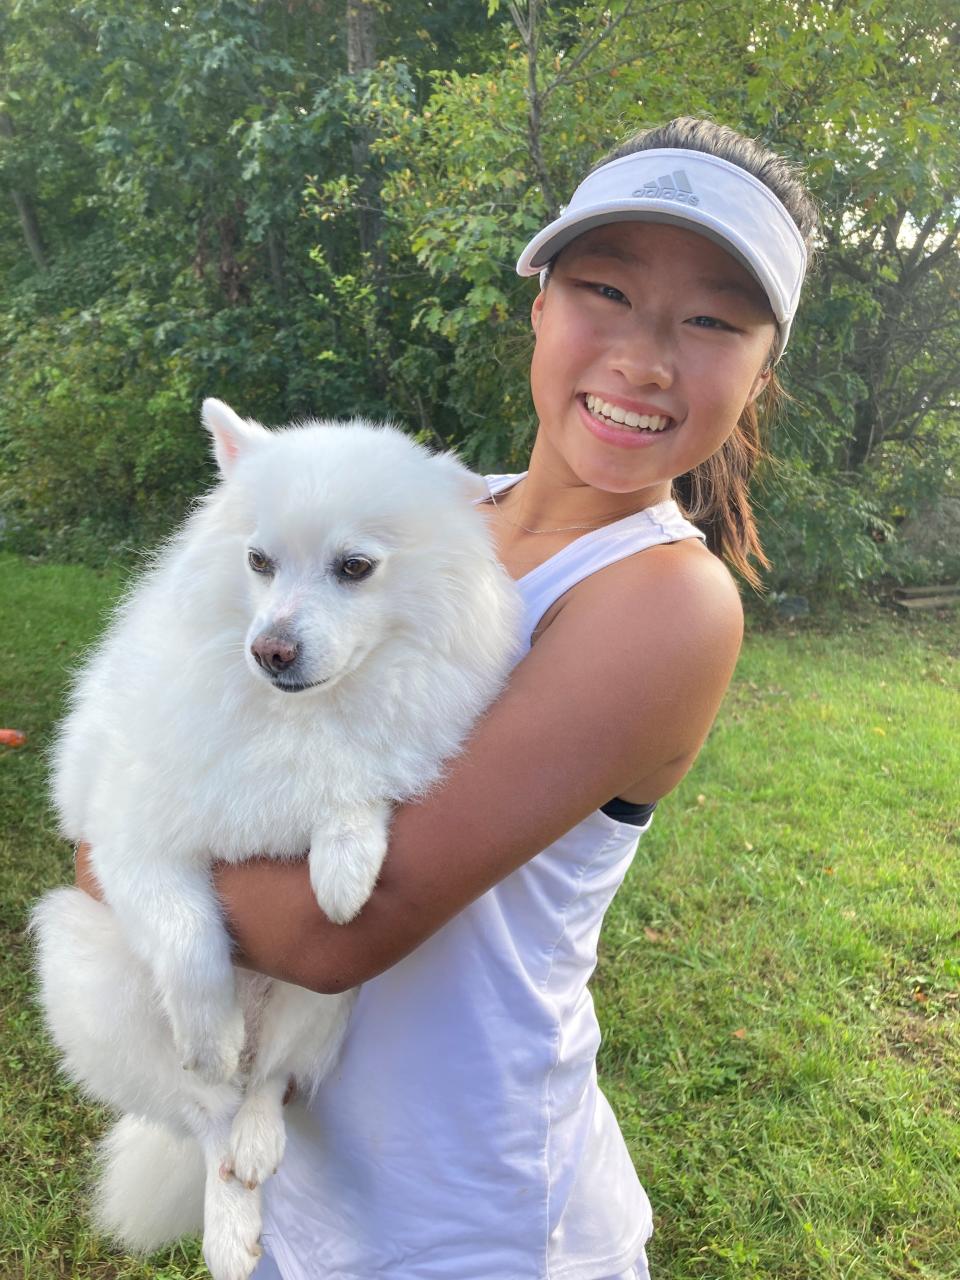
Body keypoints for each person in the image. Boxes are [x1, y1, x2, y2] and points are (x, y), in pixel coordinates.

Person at [76, 117, 817, 1278]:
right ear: (538, 306)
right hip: (310, 1157)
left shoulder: (666, 599)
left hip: (465, 1203)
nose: (645, 356)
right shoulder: (435, 517)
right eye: (605, 289)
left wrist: (117, 846)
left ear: (763, 364)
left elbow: (337, 925)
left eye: (714, 318)